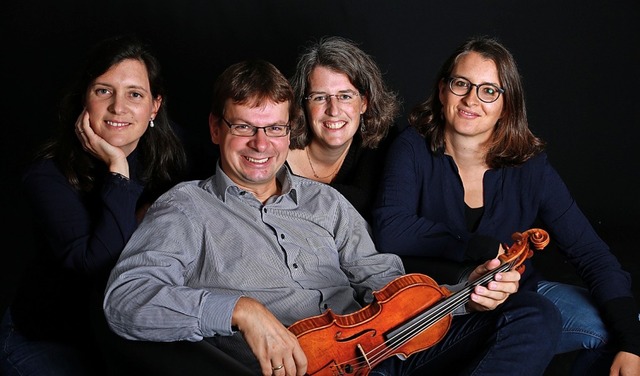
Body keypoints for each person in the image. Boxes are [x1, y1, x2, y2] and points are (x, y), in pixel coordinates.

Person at [102, 59, 562, 376]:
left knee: (533, 314)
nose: (262, 144)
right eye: (244, 127)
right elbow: (124, 301)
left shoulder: (327, 203)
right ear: (216, 128)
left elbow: (385, 286)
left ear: (290, 130)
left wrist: (465, 294)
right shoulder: (186, 208)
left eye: (275, 128)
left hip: (387, 349)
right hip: (314, 368)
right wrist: (241, 311)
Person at [371, 36, 640, 376]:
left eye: (489, 91)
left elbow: (591, 253)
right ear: (442, 91)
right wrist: (475, 247)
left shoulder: (530, 166)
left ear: (507, 105)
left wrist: (632, 344)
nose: (471, 99)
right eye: (461, 84)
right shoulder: (411, 147)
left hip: (514, 301)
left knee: (626, 328)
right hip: (434, 307)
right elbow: (390, 228)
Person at [0, 34, 188, 376]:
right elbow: (97, 261)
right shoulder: (47, 174)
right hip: (50, 340)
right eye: (104, 91)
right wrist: (118, 167)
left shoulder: (169, 150)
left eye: (135, 94)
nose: (119, 107)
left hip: (120, 341)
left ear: (154, 106)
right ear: (84, 98)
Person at [286, 36, 400, 222]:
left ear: (364, 102)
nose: (333, 110)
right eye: (320, 97)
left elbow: (368, 199)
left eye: (345, 96)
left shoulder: (382, 139)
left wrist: (294, 195)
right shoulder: (273, 148)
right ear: (303, 104)